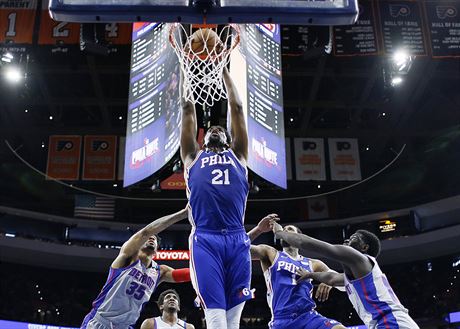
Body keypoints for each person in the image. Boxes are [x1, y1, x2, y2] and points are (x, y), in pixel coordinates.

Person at [180, 64, 251, 329]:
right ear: (203, 137)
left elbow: (237, 108)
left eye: (221, 128)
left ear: (229, 137)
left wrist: (221, 69)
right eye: (210, 129)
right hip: (205, 238)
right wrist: (189, 69)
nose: (216, 129)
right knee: (216, 317)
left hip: (237, 237)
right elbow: (188, 109)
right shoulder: (192, 157)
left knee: (233, 320)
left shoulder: (239, 156)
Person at [271, 223, 420, 329]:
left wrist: (280, 233)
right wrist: (310, 274)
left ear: (364, 248)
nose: (348, 239)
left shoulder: (359, 258)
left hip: (391, 322)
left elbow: (308, 244)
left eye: (354, 237)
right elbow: (332, 279)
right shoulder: (359, 274)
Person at [81, 208, 192, 329]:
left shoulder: (160, 271)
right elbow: (146, 232)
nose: (151, 238)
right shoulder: (128, 257)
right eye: (149, 237)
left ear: (157, 250)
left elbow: (190, 274)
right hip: (100, 322)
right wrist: (183, 214)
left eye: (154, 239)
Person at [248, 215, 347, 329]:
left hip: (308, 317)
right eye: (283, 230)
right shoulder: (270, 253)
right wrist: (258, 230)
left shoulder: (313, 263)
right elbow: (238, 248)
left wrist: (330, 281)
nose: (284, 231)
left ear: (298, 237)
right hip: (282, 320)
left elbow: (345, 283)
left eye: (289, 229)